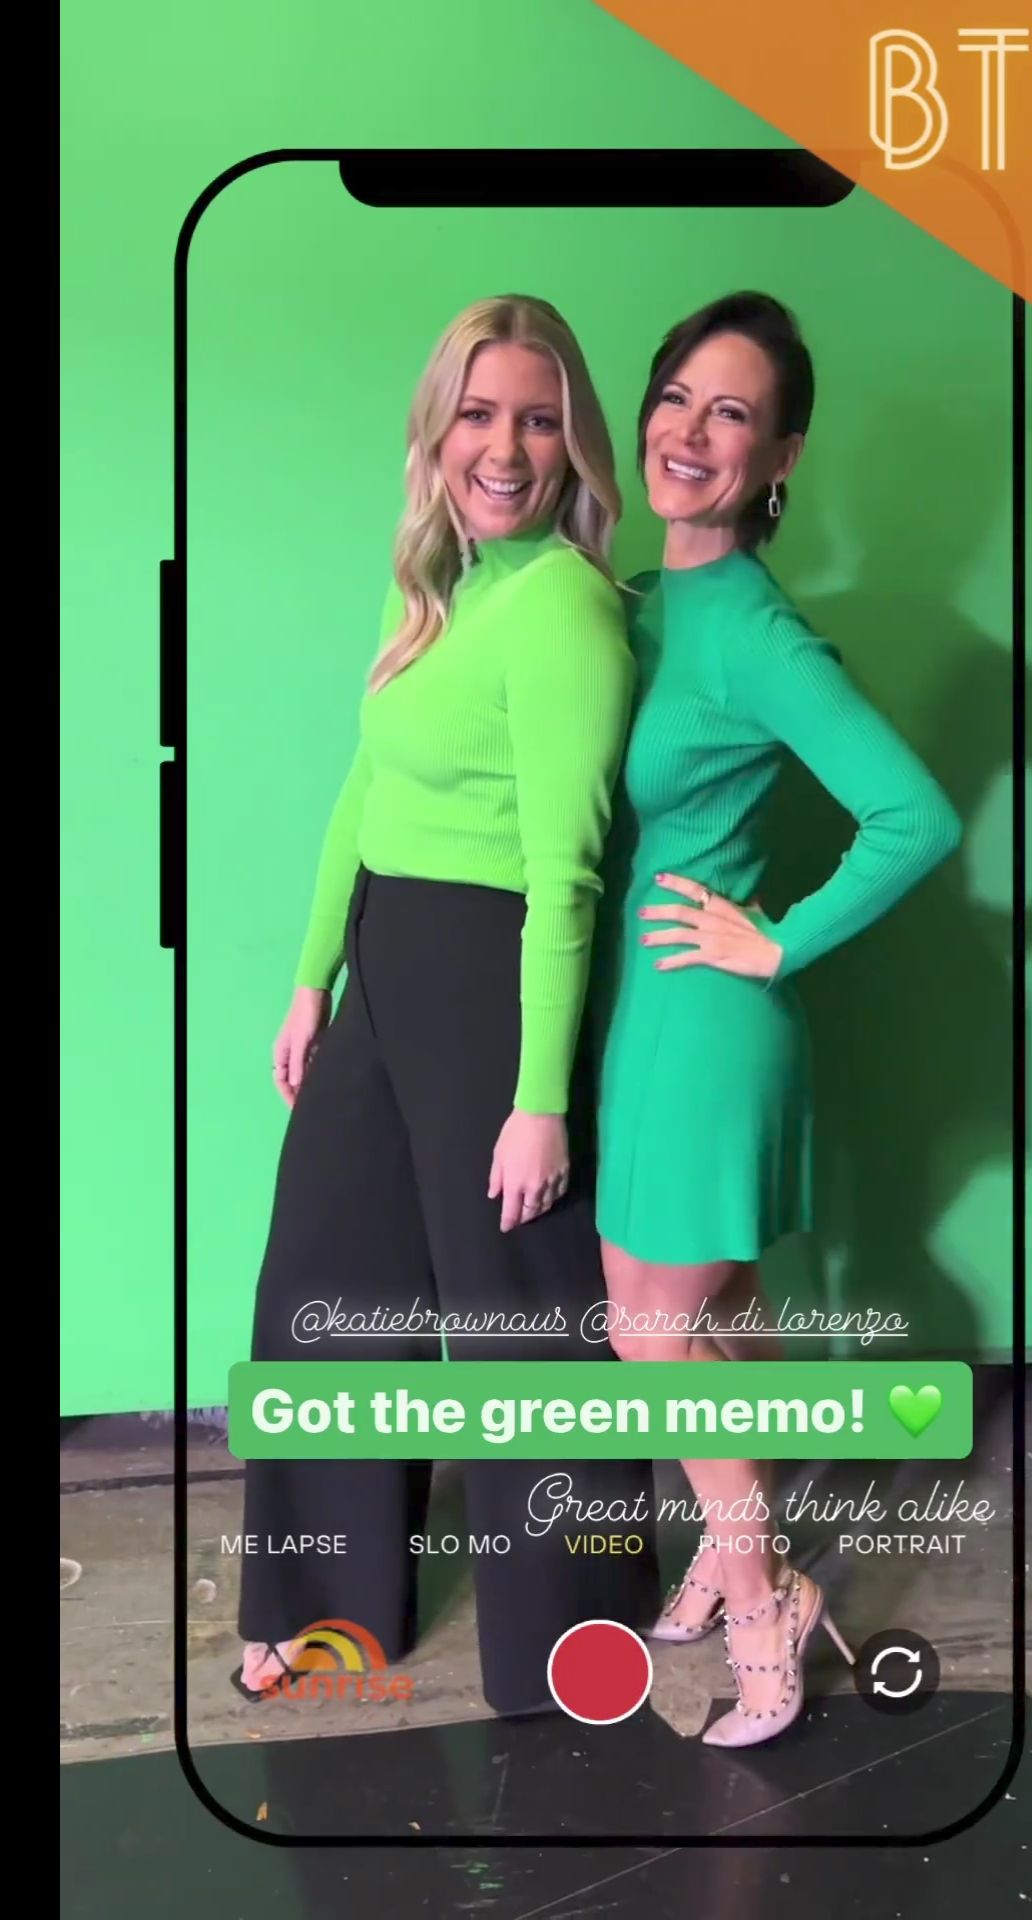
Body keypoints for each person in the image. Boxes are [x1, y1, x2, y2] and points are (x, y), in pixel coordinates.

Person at [235, 293, 660, 1717]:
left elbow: (566, 876)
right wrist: (312, 981)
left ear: (574, 443)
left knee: (519, 1314)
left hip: (495, 979)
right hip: (385, 965)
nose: (506, 448)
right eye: (480, 414)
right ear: (439, 429)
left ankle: (575, 1631)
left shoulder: (566, 610)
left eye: (539, 419)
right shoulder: (434, 585)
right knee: (325, 1284)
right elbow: (363, 786)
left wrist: (541, 1099)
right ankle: (324, 1600)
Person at [593, 292, 964, 1748]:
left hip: (707, 1022)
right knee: (720, 1318)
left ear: (781, 455)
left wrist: (781, 937)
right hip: (639, 1017)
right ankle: (736, 1550)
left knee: (650, 1339)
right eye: (677, 397)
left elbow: (915, 816)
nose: (692, 431)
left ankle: (769, 1615)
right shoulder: (637, 598)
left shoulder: (755, 631)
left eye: (732, 411)